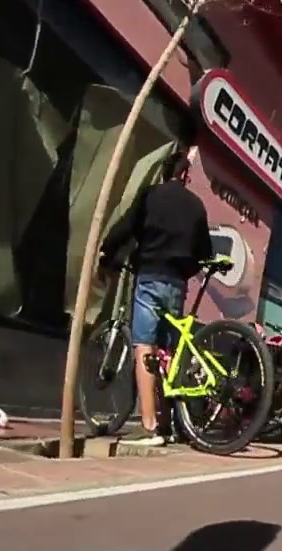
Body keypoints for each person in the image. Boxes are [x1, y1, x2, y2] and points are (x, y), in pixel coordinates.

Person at [99, 150, 214, 447]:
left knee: (145, 349)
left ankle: (150, 427)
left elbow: (125, 228)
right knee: (168, 354)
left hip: (149, 276)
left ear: (164, 173)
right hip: (176, 284)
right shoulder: (196, 206)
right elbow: (204, 252)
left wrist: (106, 252)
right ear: (186, 175)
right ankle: (168, 425)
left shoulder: (151, 196)